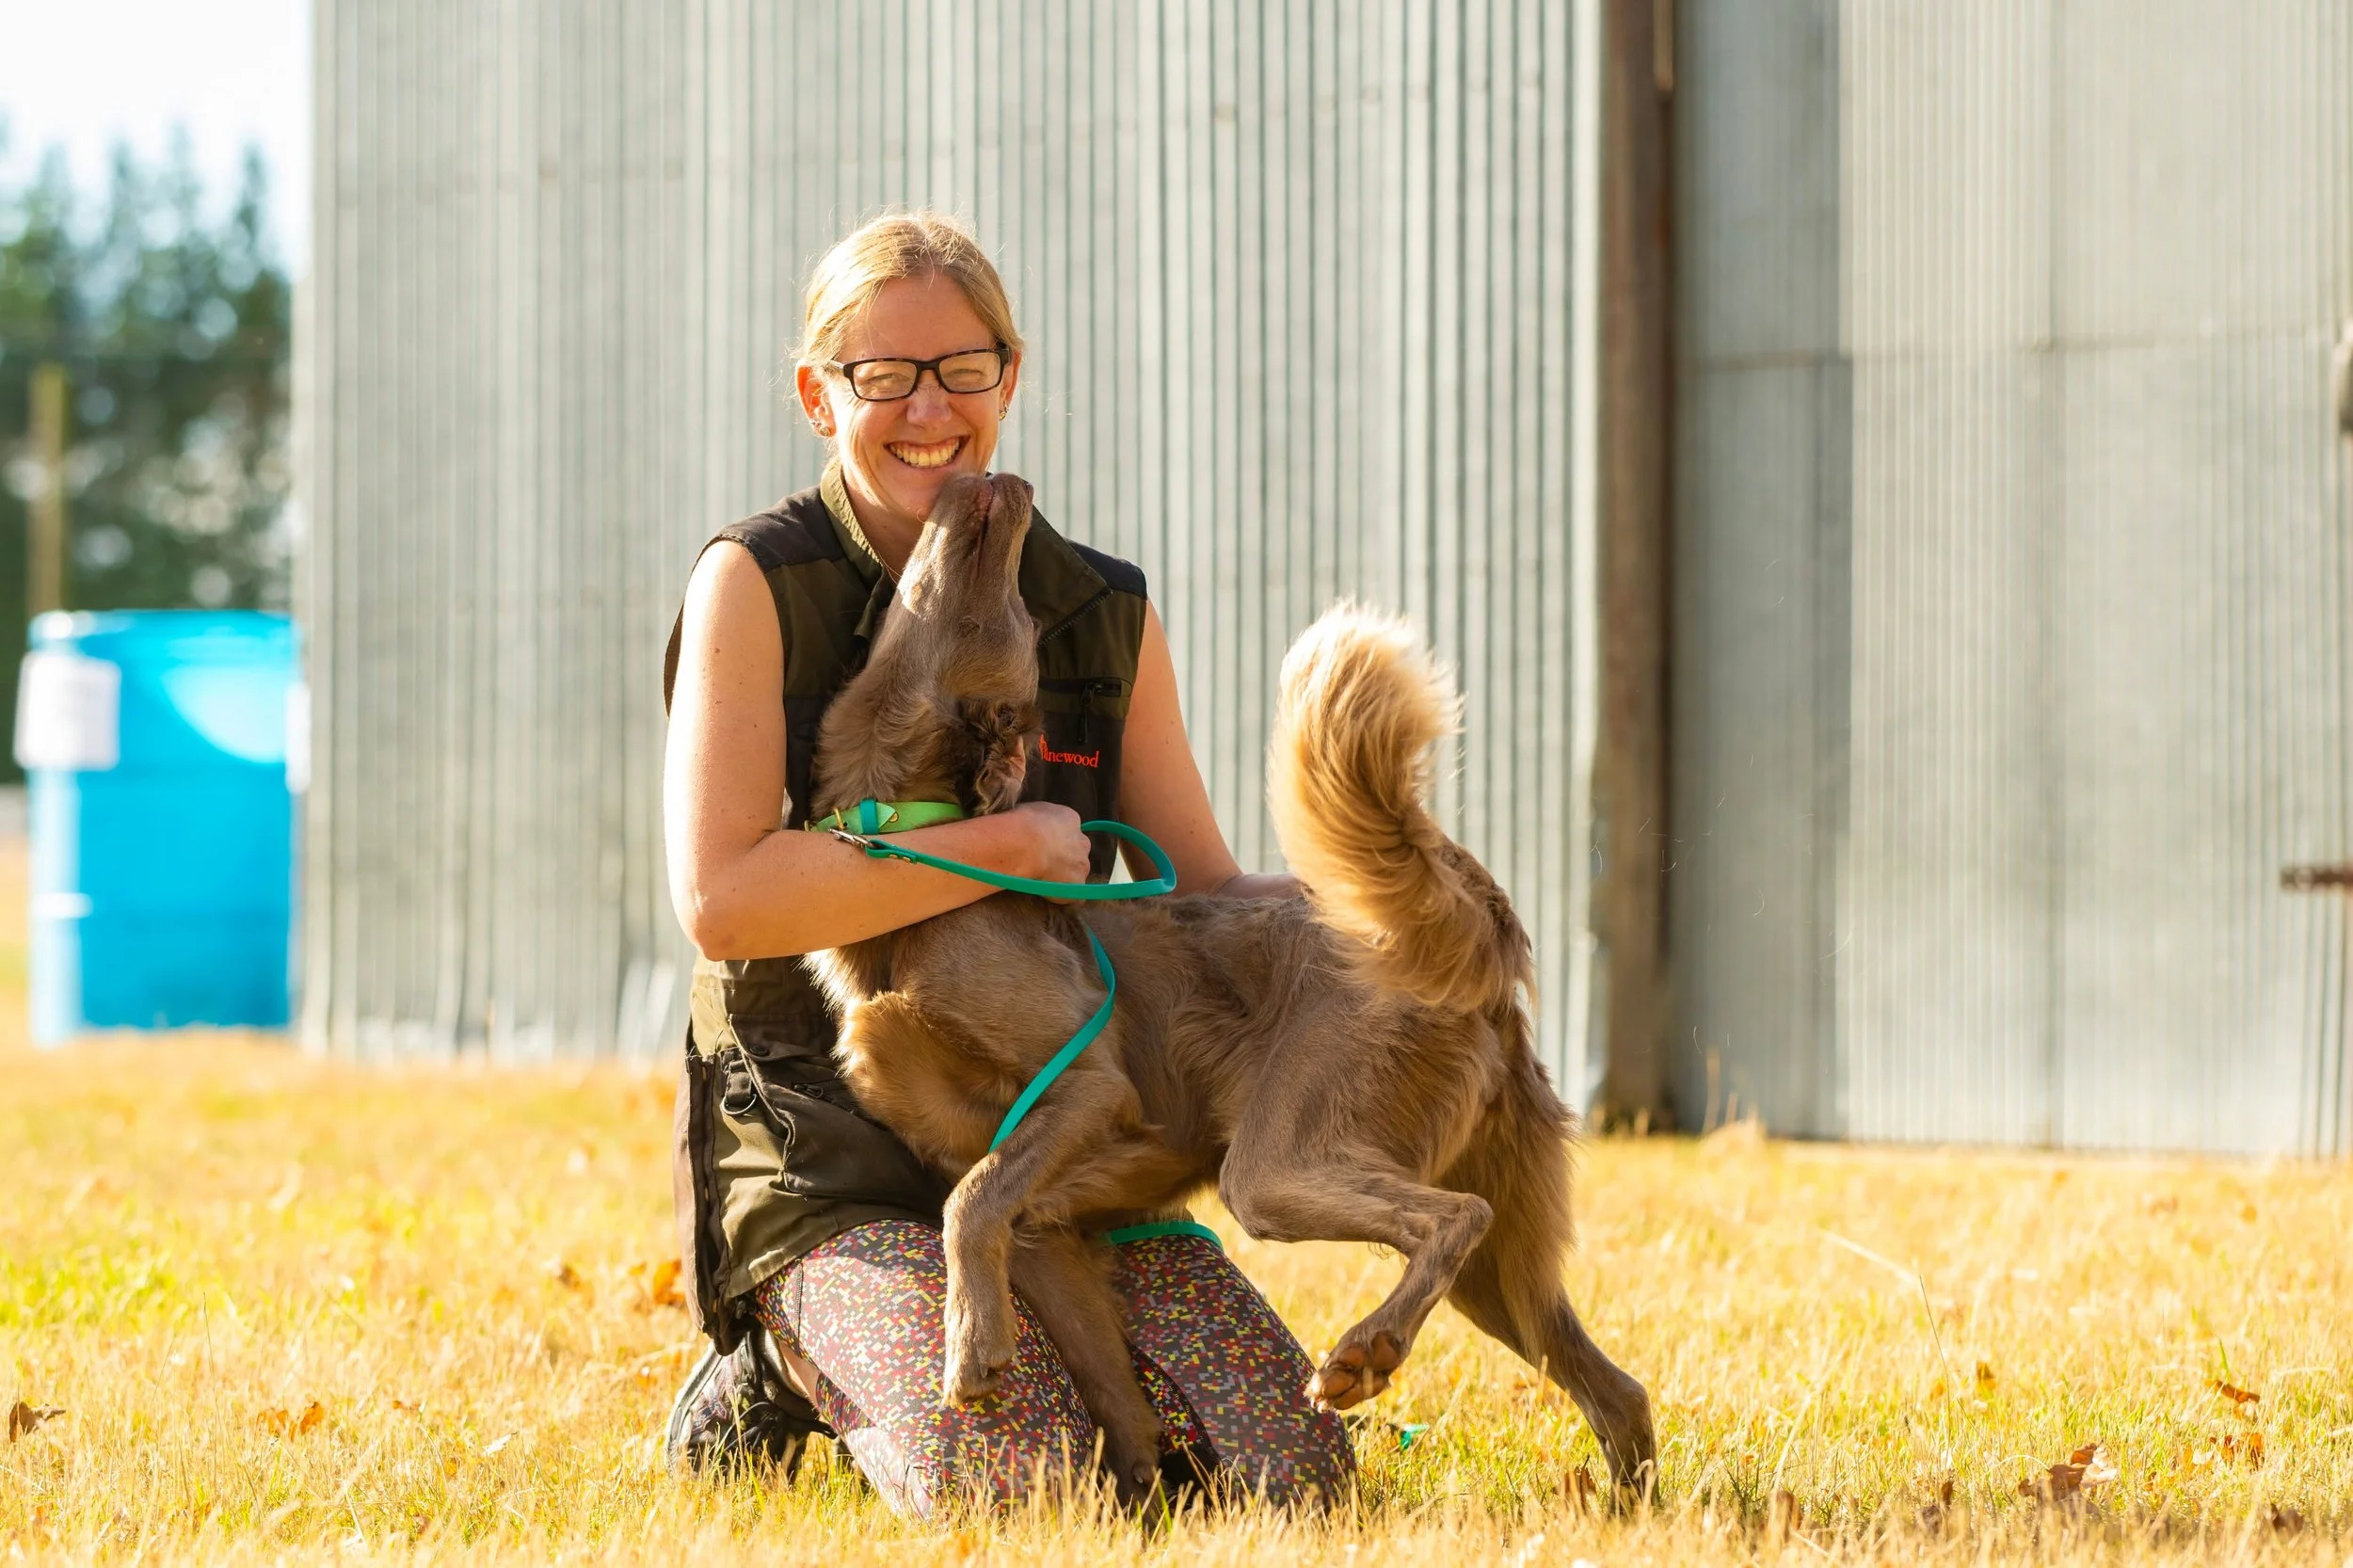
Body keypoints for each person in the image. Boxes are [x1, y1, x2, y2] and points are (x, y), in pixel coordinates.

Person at [659, 211, 1353, 1516]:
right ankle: (772, 1365)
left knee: (1289, 1470)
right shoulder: (757, 582)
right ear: (819, 395)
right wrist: (999, 847)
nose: (930, 407)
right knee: (1025, 1480)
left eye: (961, 368)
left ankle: (994, 1337)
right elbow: (724, 898)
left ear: (1009, 376)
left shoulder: (1101, 604)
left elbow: (1191, 887)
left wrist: (1379, 902)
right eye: (883, 375)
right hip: (830, 1143)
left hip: (1054, 1139)